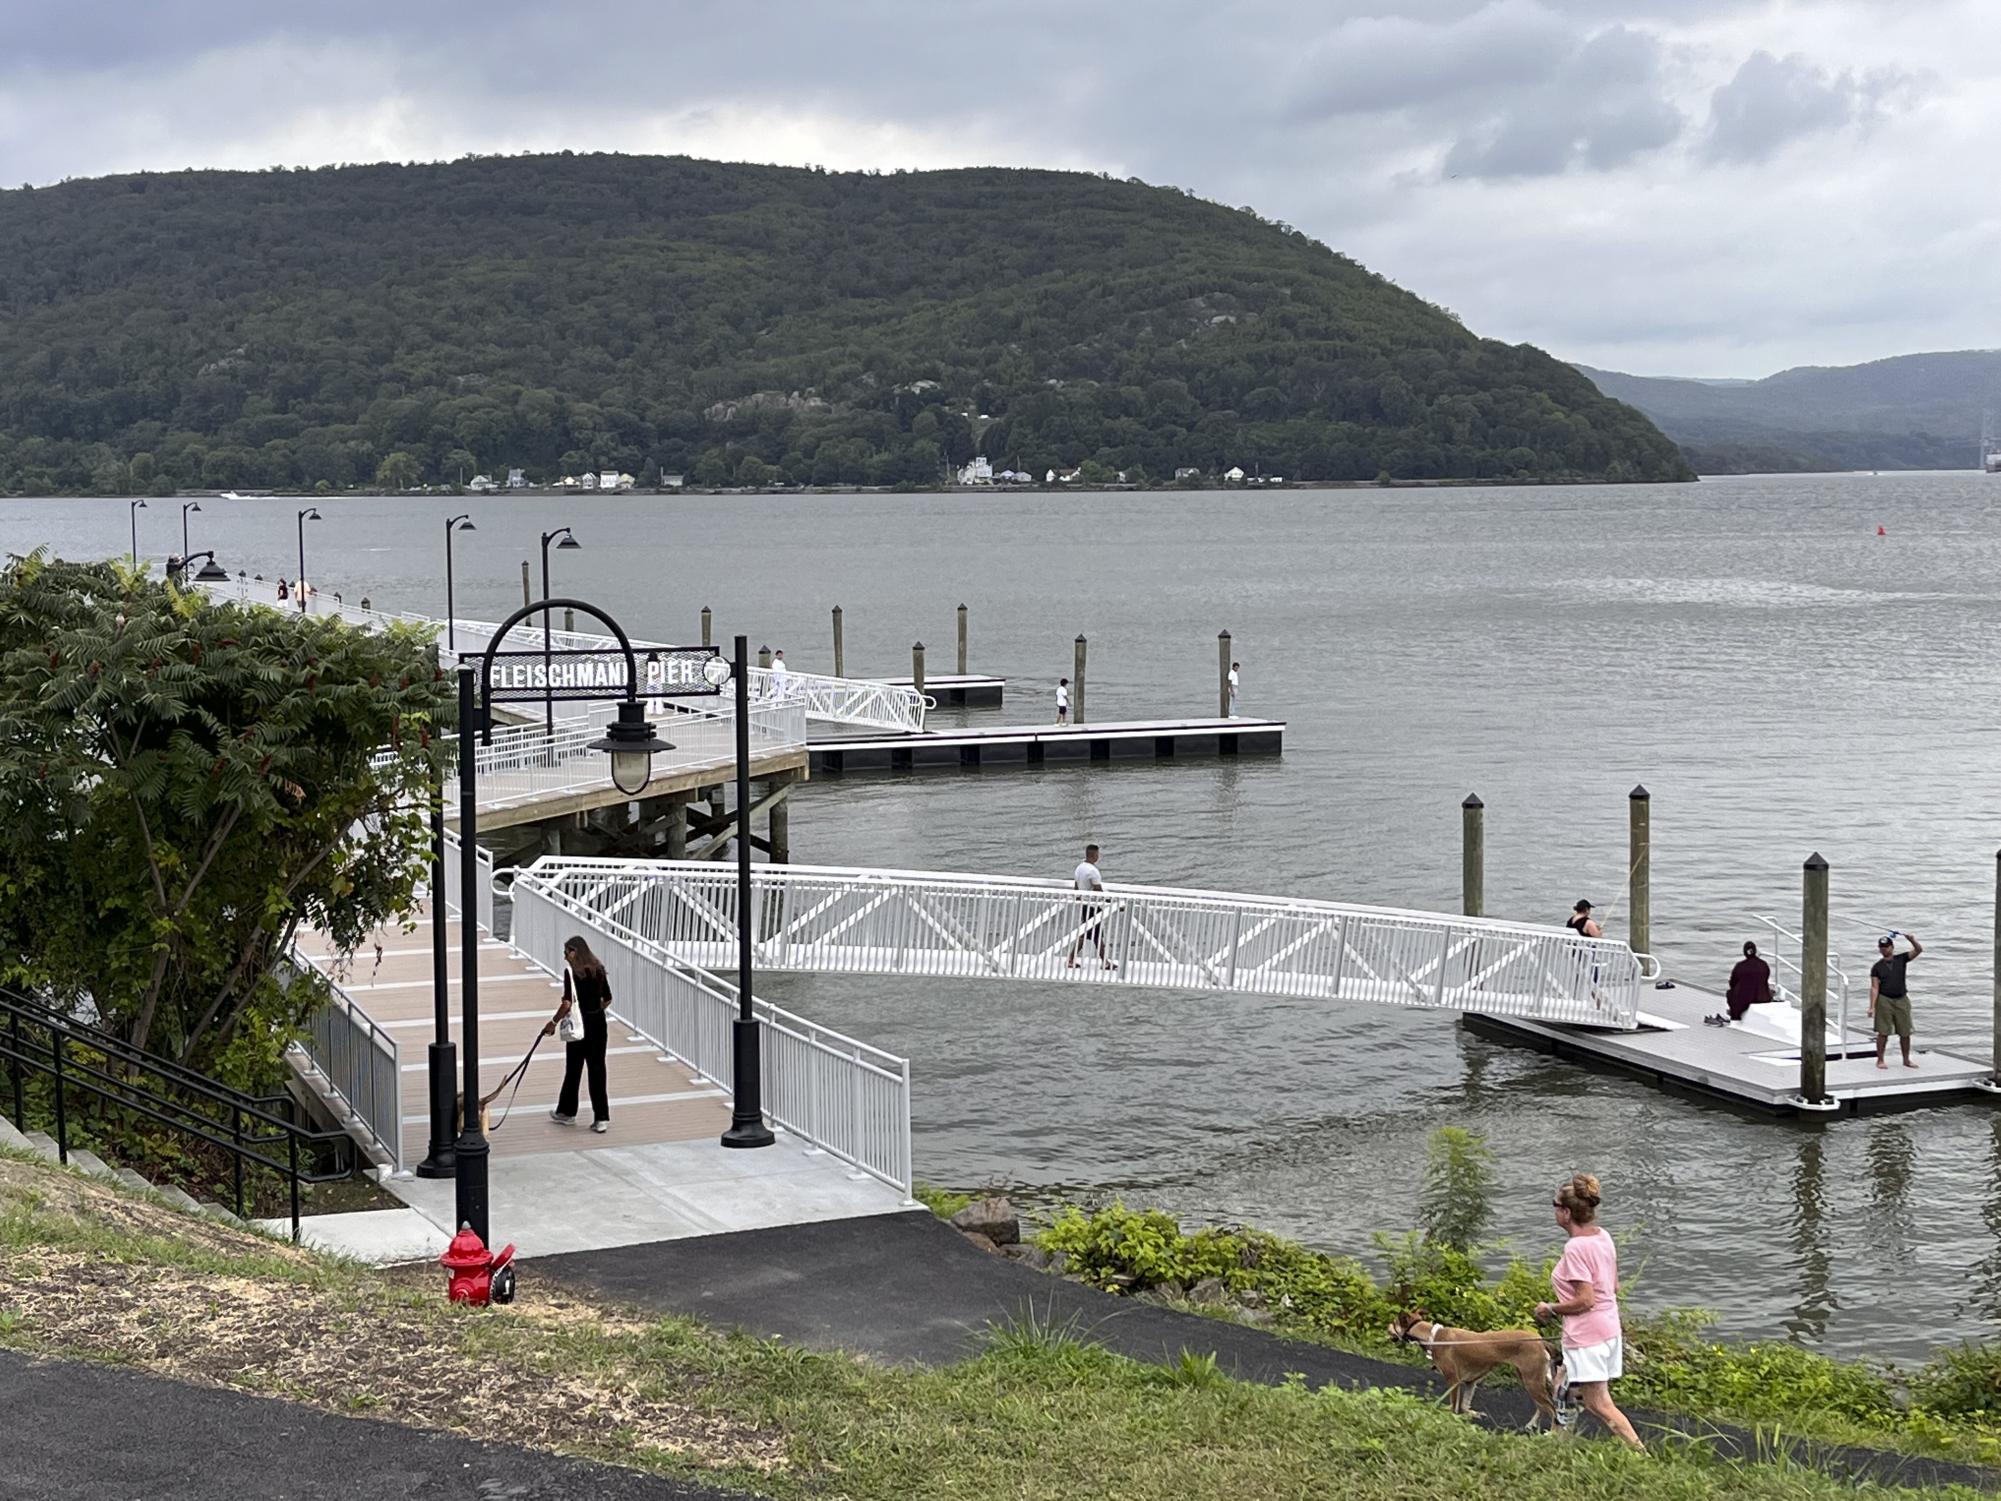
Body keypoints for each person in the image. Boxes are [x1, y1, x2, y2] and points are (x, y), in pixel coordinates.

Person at [1535, 1173, 1644, 1451]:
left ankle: (1640, 1453)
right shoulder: (1602, 1237)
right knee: (1563, 1383)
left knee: (1599, 1403)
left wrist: (1551, 1308)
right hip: (1608, 1329)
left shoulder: (1575, 1248)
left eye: (1555, 1205)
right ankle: (1558, 1440)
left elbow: (1585, 1300)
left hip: (1588, 1336)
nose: (1554, 1210)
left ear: (1566, 1212)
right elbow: (1613, 1285)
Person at [547, 935, 613, 1132]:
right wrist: (594, 1009)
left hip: (579, 1027)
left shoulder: (571, 973)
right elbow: (608, 999)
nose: (565, 956)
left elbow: (567, 1004)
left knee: (574, 1069)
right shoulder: (599, 969)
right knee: (597, 1070)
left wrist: (552, 1023)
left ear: (575, 952)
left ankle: (567, 1112)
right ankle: (601, 1118)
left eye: (566, 952)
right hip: (598, 1025)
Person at [1870, 932, 1923, 1070]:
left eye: (1886, 947)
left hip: (1901, 999)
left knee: (1905, 1032)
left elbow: (1918, 950)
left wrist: (1912, 940)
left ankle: (1906, 1060)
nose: (1884, 950)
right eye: (1881, 947)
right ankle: (1880, 1060)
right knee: (1883, 1032)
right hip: (1884, 999)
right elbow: (1874, 987)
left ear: (1892, 947)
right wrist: (1872, 1006)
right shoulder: (1877, 967)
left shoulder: (1901, 959)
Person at [1067, 843, 1115, 971]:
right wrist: (1112, 903)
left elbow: (1076, 888)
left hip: (1085, 906)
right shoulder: (1093, 871)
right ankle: (1104, 962)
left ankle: (1073, 959)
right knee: (1096, 935)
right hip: (1093, 907)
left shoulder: (1079, 868)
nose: (1098, 857)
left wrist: (1079, 898)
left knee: (1089, 935)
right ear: (1094, 855)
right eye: (1098, 854)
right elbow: (1098, 890)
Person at [1707, 940, 1773, 1027]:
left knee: (1731, 994)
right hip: (1764, 997)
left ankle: (1735, 1018)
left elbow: (1732, 983)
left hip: (1746, 1000)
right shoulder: (1764, 964)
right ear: (1755, 951)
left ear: (1744, 952)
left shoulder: (1740, 966)